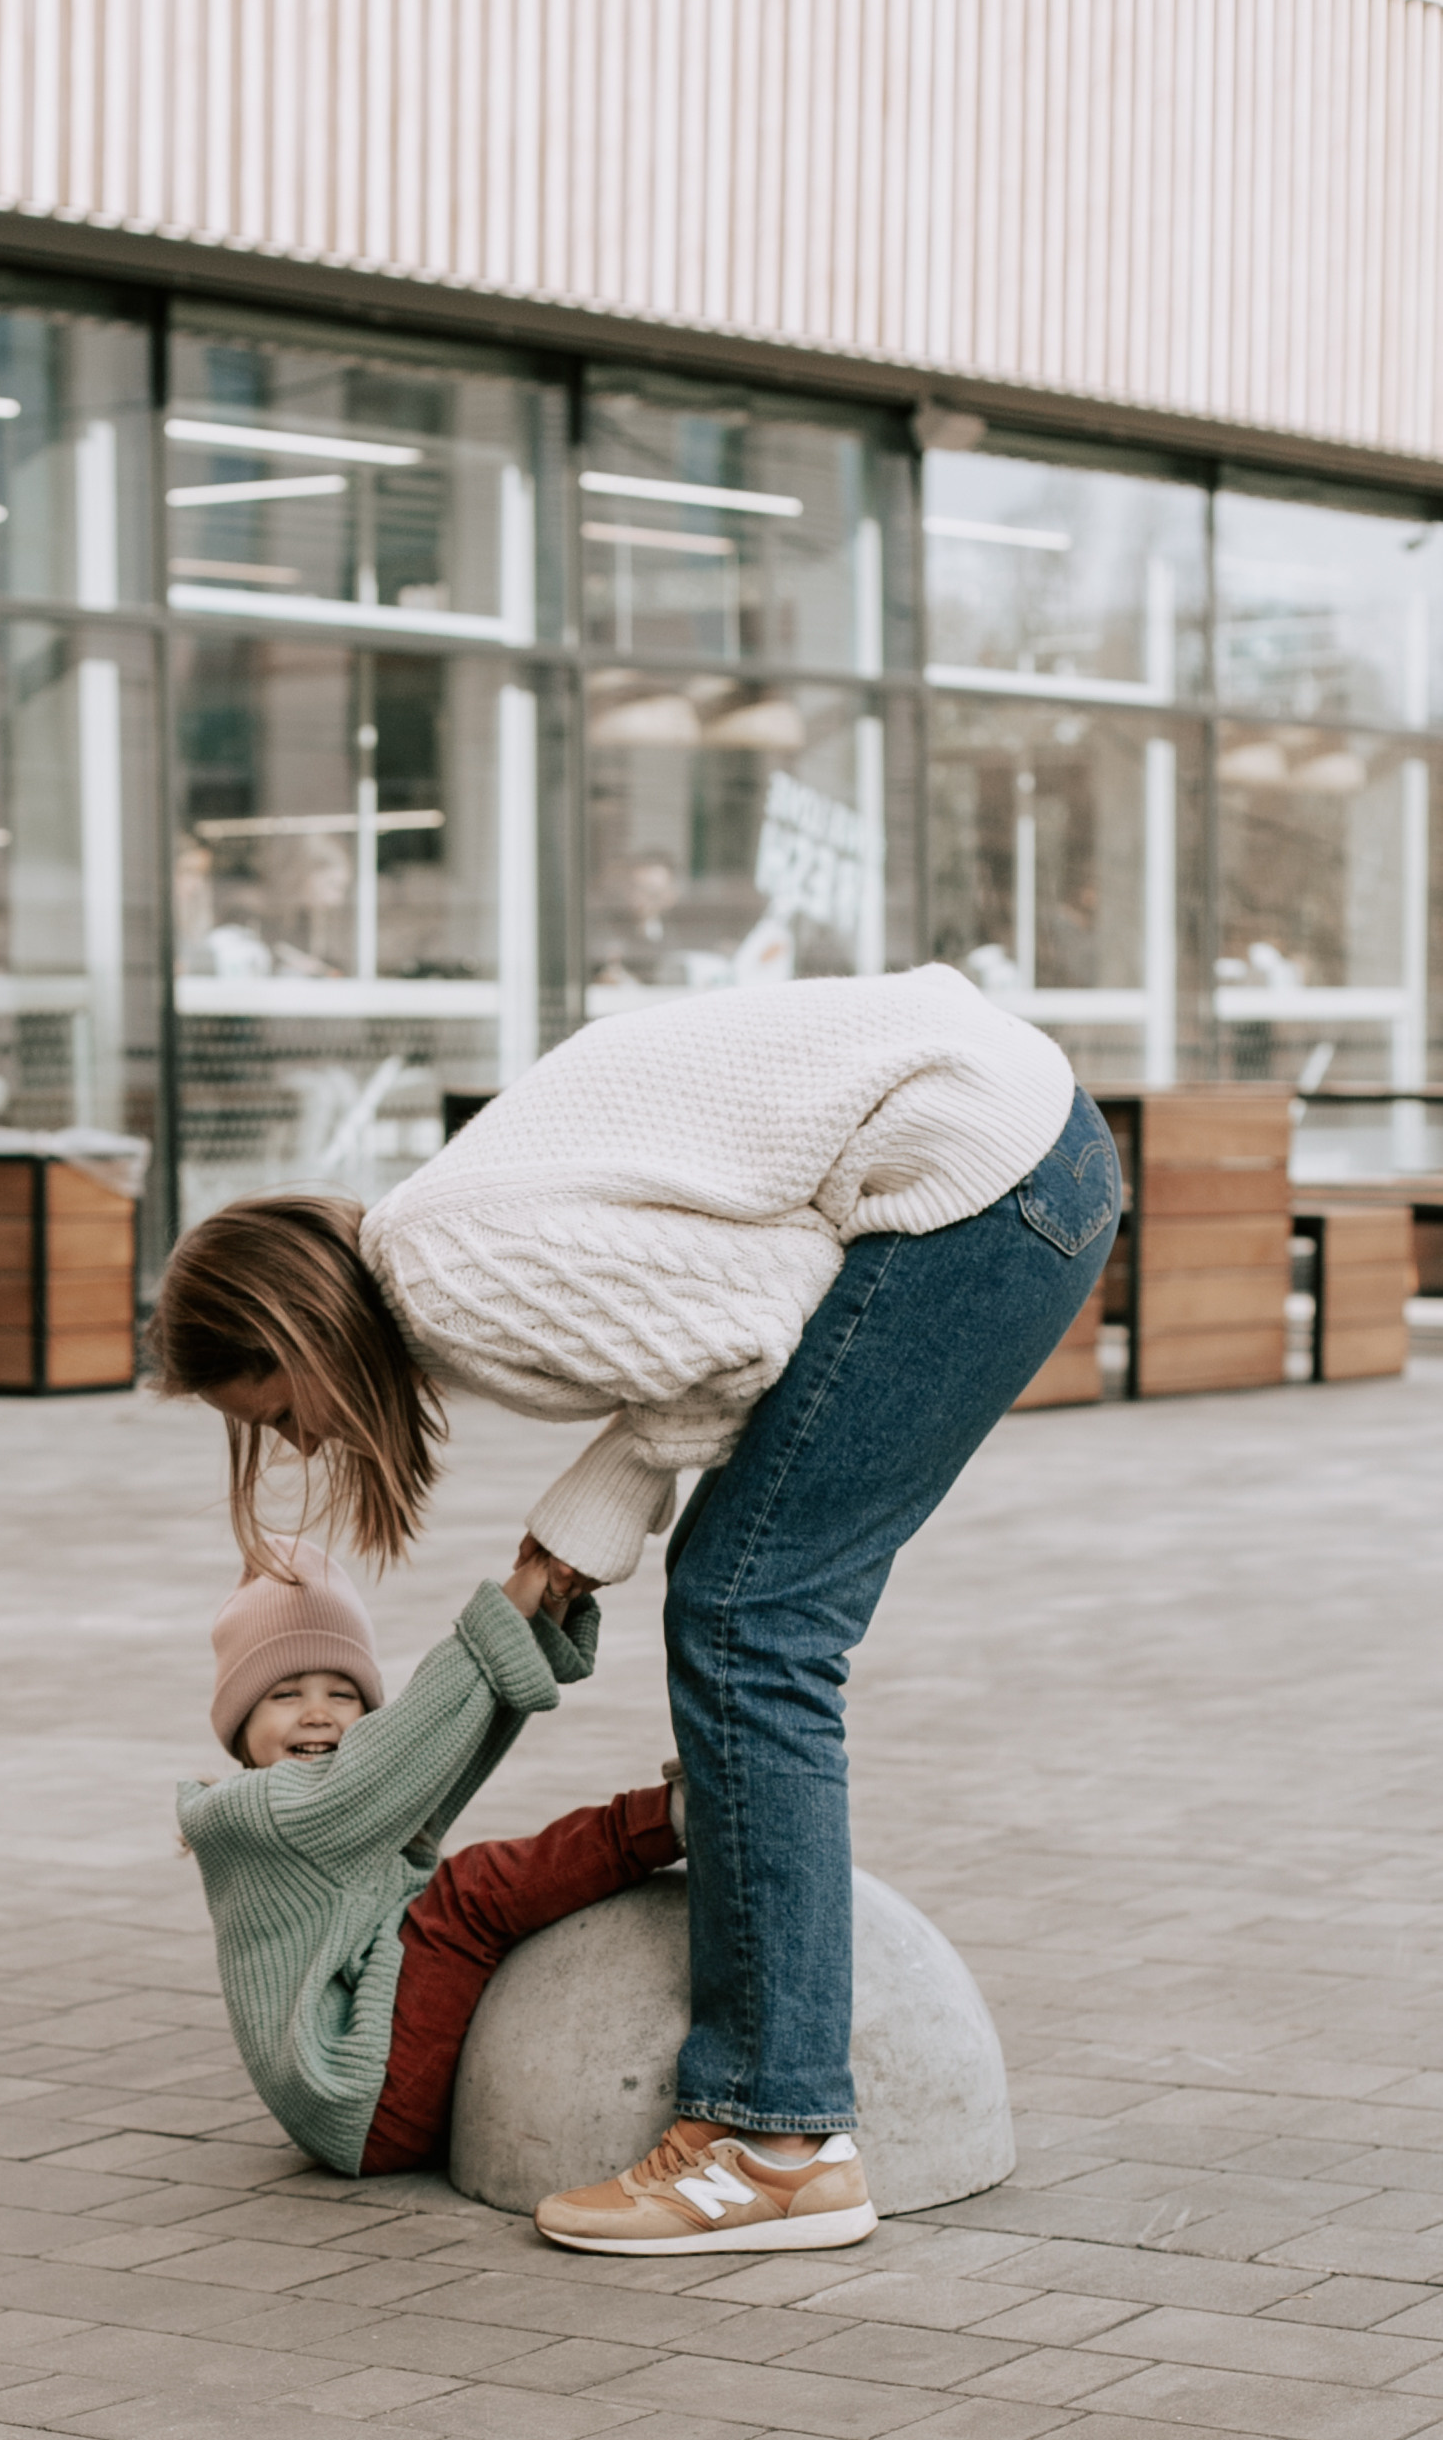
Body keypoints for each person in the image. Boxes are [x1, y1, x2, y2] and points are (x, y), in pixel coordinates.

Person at [151, 963, 1118, 2257]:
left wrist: (570, 1534)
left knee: (743, 1619)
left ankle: (769, 2141)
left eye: (277, 1411)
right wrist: (564, 1553)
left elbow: (742, 1337)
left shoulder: (441, 1280)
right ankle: (770, 2121)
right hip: (1019, 1154)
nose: (308, 1440)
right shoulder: (447, 1229)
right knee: (738, 1602)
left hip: (968, 1176)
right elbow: (745, 1295)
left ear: (292, 1336)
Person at [182, 1537, 705, 2187]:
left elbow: (445, 1758)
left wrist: (539, 1620)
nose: (317, 1713)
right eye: (285, 1694)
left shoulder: (335, 1809)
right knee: (469, 1895)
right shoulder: (250, 1814)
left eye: (342, 1695)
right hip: (364, 2100)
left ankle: (668, 1819)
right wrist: (495, 1620)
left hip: (372, 2102)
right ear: (237, 1726)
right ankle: (679, 1816)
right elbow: (398, 1751)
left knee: (485, 1900)